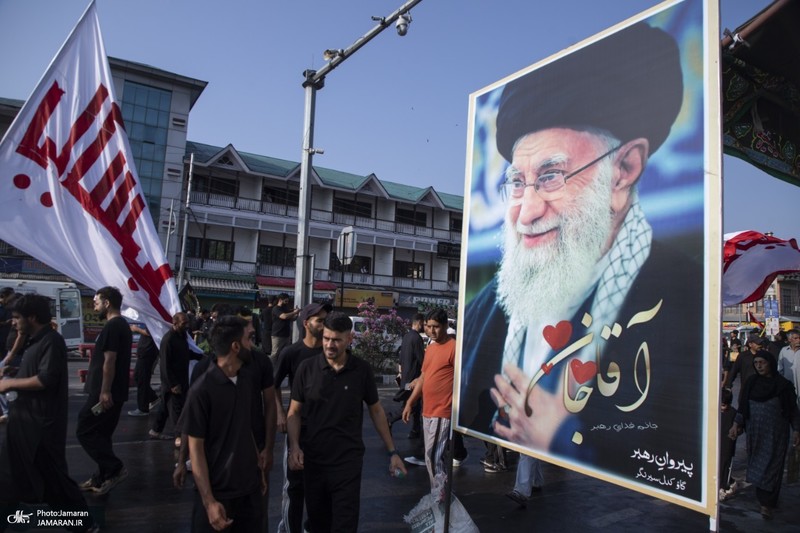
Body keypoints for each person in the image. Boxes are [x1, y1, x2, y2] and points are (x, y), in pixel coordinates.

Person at [458, 21, 705, 501]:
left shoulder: (685, 302)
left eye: (551, 176)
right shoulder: (487, 307)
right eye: (518, 182)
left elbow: (676, 454)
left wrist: (571, 439)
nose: (526, 211)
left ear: (624, 169)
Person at [287, 312, 406, 532]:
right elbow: (294, 412)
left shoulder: (361, 370)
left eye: (336, 340)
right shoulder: (306, 368)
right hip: (313, 461)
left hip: (347, 462)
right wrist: (294, 446)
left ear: (349, 339)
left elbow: (377, 411)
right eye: (326, 338)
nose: (330, 344)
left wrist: (393, 452)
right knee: (318, 522)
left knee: (345, 523)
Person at [0, 294, 97, 532]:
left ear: (32, 317)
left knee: (54, 482)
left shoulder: (51, 341)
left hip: (40, 426)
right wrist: (16, 369)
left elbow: (46, 379)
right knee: (7, 476)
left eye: (16, 318)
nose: (13, 323)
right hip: (24, 422)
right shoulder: (35, 340)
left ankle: (83, 524)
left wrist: (9, 384)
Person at [184, 316, 265, 532]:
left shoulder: (247, 380)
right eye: (250, 339)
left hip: (249, 492)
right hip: (218, 495)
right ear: (236, 346)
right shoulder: (201, 391)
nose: (253, 345)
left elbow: (244, 426)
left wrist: (259, 468)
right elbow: (196, 448)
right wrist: (209, 501)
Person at [273, 301, 330, 533]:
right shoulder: (291, 352)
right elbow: (272, 386)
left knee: (321, 487)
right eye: (320, 320)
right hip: (298, 428)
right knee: (294, 487)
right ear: (307, 323)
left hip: (325, 431)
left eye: (326, 319)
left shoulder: (331, 351)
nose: (325, 324)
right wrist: (280, 413)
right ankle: (288, 529)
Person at [728, 350, 800, 519]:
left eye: (762, 363)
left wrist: (797, 429)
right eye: (756, 363)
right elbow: (743, 407)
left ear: (771, 364)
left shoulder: (783, 386)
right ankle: (764, 500)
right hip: (756, 433)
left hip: (776, 435)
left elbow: (792, 411)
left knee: (773, 467)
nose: (759, 366)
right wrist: (736, 424)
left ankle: (766, 504)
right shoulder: (752, 383)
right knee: (759, 466)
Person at [76, 286, 132, 495]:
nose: (94, 305)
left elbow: (110, 361)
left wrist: (105, 391)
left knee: (84, 428)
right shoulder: (120, 325)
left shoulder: (113, 326)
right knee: (101, 434)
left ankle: (114, 468)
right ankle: (101, 478)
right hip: (111, 392)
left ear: (107, 303)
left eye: (97, 301)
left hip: (105, 393)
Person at [402, 309, 458, 500]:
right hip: (427, 409)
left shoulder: (454, 347)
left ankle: (441, 496)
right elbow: (424, 377)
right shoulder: (432, 347)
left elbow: (462, 379)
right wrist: (410, 402)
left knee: (433, 457)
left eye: (436, 327)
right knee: (432, 457)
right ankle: (440, 493)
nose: (431, 331)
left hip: (443, 410)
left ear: (445, 326)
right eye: (428, 326)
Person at [150, 312, 192, 443]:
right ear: (175, 323)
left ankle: (156, 430)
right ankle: (179, 436)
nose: (187, 325)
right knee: (176, 409)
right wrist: (173, 384)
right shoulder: (168, 340)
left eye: (187, 322)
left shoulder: (182, 336)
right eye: (184, 323)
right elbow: (165, 365)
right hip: (173, 382)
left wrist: (201, 357)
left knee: (164, 407)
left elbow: (185, 354)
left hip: (182, 378)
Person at [777, 329, 800, 481]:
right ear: (790, 339)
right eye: (796, 338)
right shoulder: (783, 352)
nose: (799, 340)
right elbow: (780, 371)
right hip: (787, 396)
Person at [127, 323, 160, 417]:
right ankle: (152, 397)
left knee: (142, 380)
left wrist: (136, 329)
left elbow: (149, 333)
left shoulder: (153, 320)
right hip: (144, 353)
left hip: (147, 353)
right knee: (138, 377)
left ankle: (143, 408)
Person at [725, 335, 763, 406]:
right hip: (746, 390)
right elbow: (734, 370)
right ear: (750, 344)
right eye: (757, 343)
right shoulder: (743, 356)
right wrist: (728, 386)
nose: (759, 345)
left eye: (760, 343)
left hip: (761, 390)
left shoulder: (764, 355)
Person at [718, 388, 738, 501]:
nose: (721, 408)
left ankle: (722, 488)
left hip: (728, 445)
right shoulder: (715, 411)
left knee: (725, 466)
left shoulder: (733, 413)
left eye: (723, 405)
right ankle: (731, 482)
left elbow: (739, 428)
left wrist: (736, 432)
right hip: (717, 443)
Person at [272, 293, 299, 362]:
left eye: (287, 301)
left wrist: (297, 314)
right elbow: (284, 316)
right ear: (280, 300)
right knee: (275, 354)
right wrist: (294, 312)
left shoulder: (285, 308)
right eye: (285, 301)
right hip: (277, 335)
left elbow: (292, 319)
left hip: (286, 335)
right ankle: (273, 369)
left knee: (285, 353)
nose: (287, 303)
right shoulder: (276, 308)